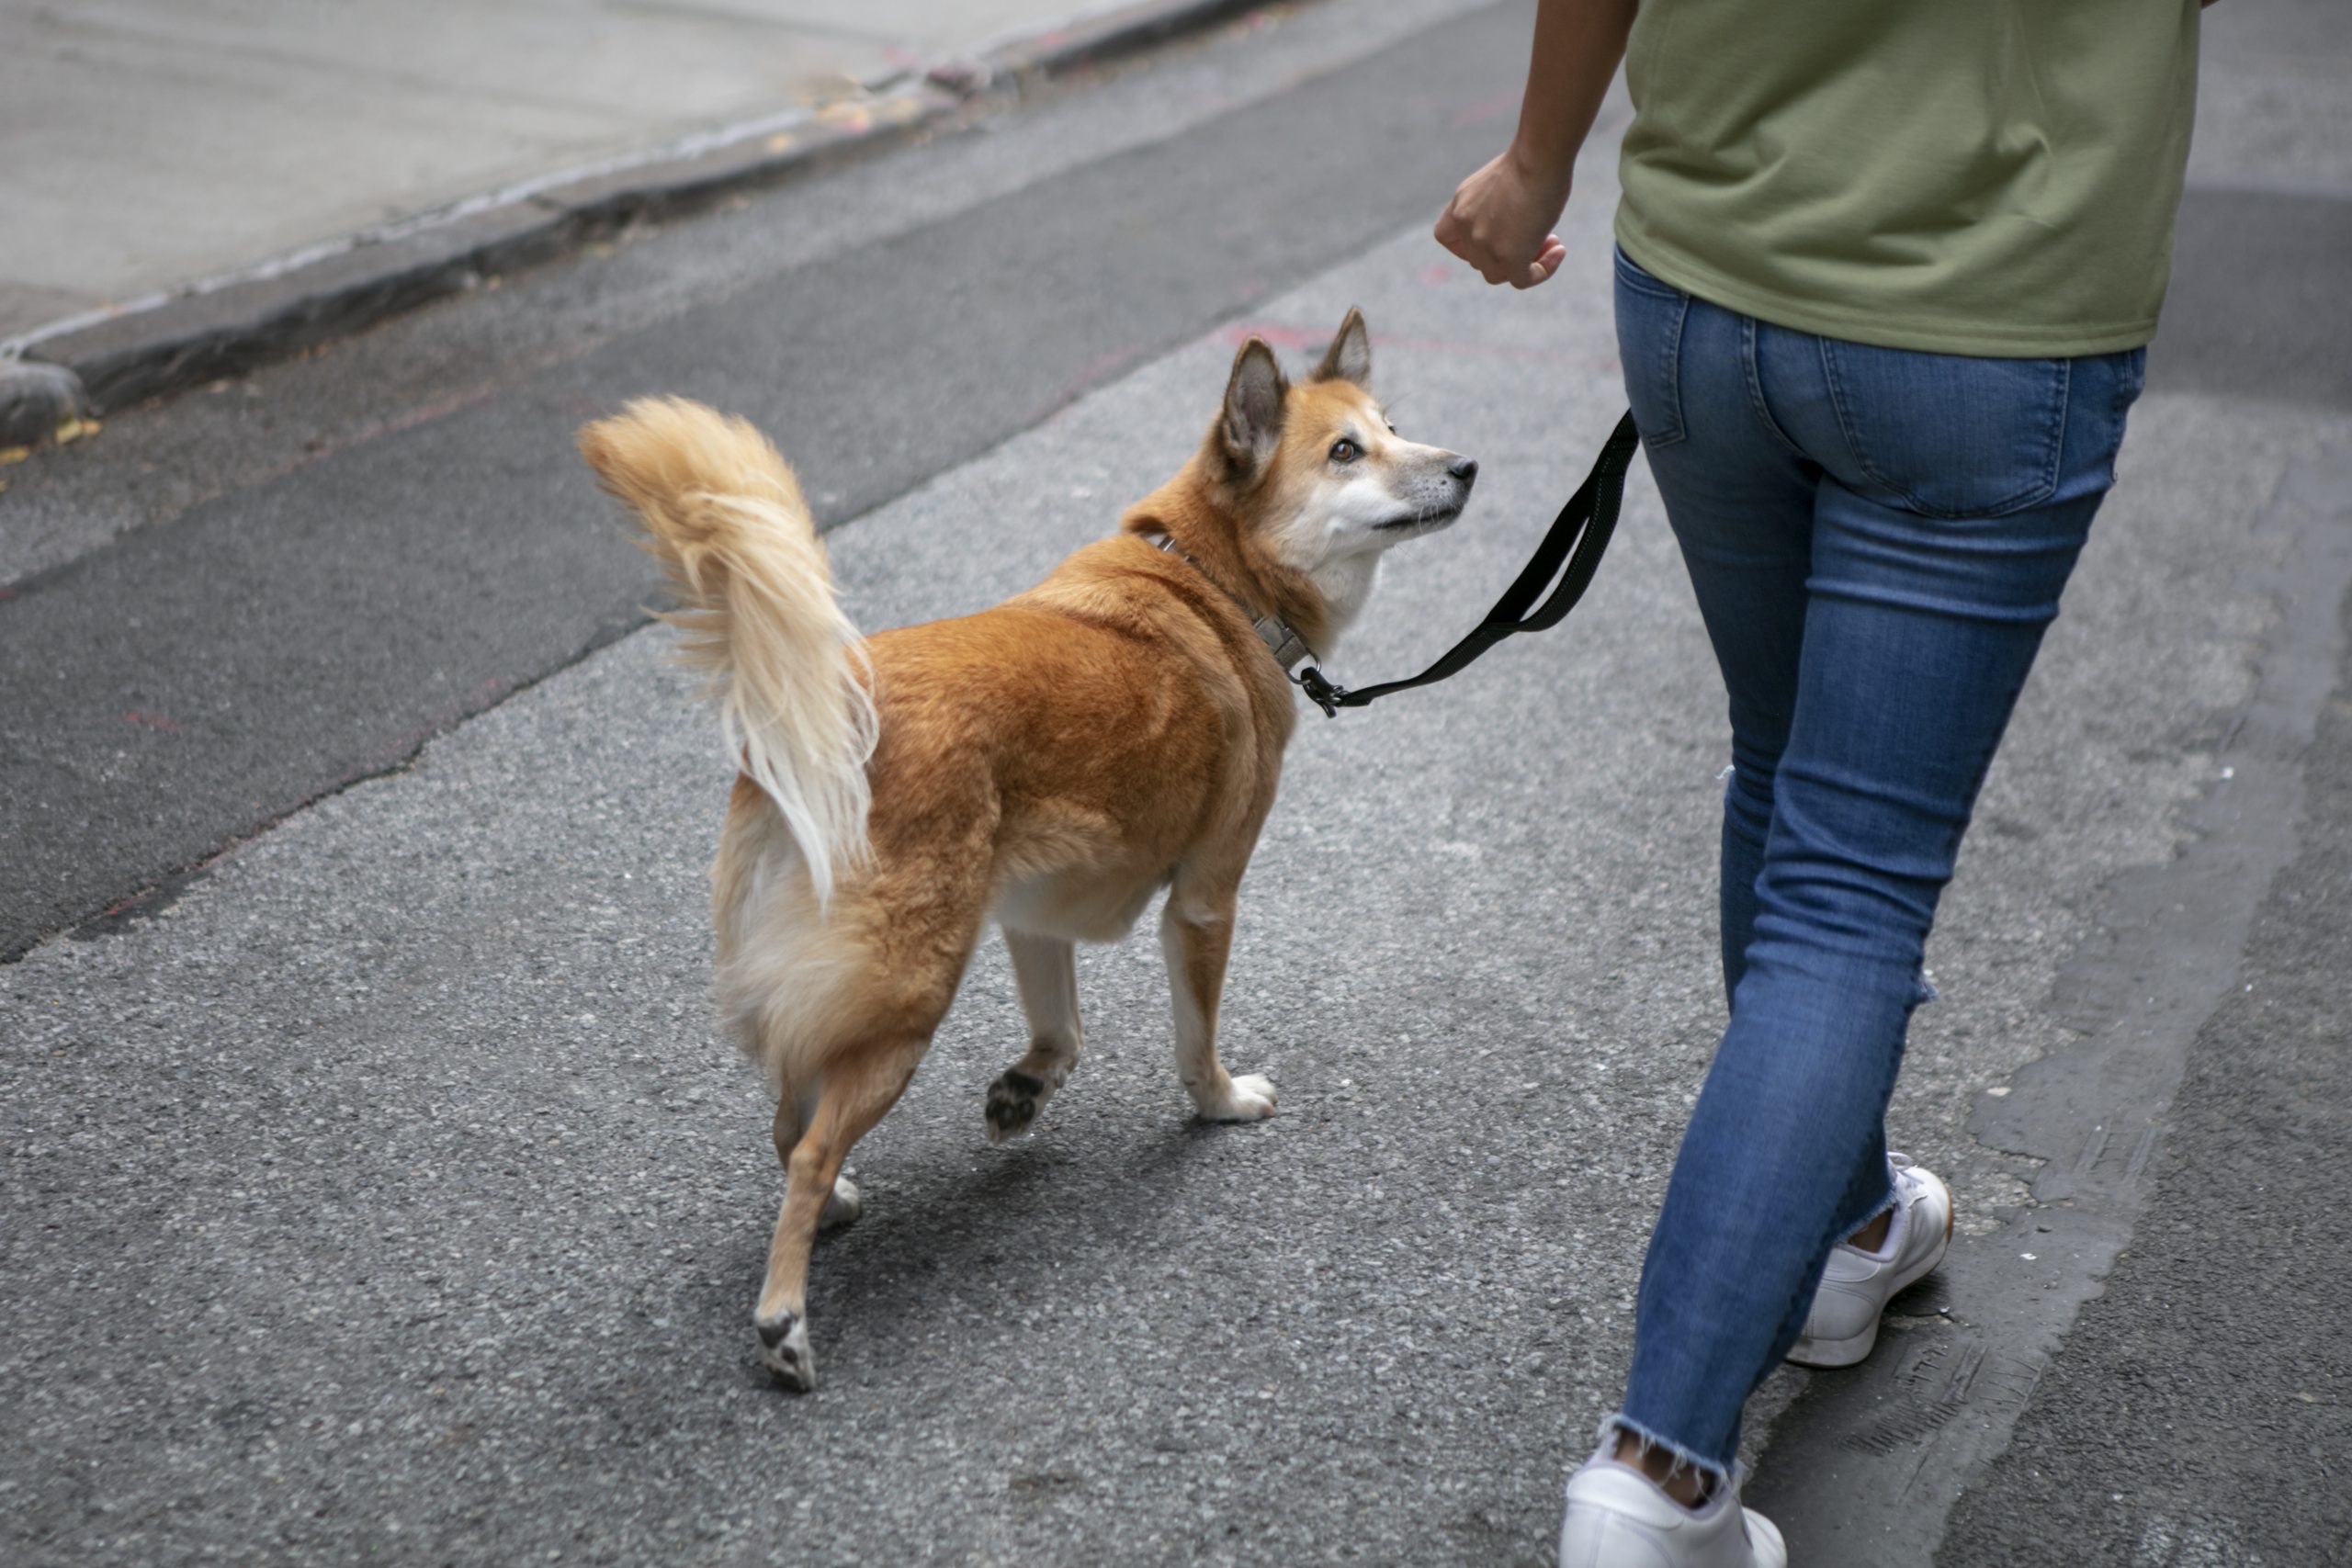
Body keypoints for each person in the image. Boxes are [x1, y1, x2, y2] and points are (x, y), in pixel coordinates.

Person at [1435, 1, 2208, 1562]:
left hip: (1711, 290)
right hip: (1988, 314)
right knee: (1849, 887)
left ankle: (1851, 1232)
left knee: (1787, 779)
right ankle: (1656, 1481)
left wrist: (1536, 158)